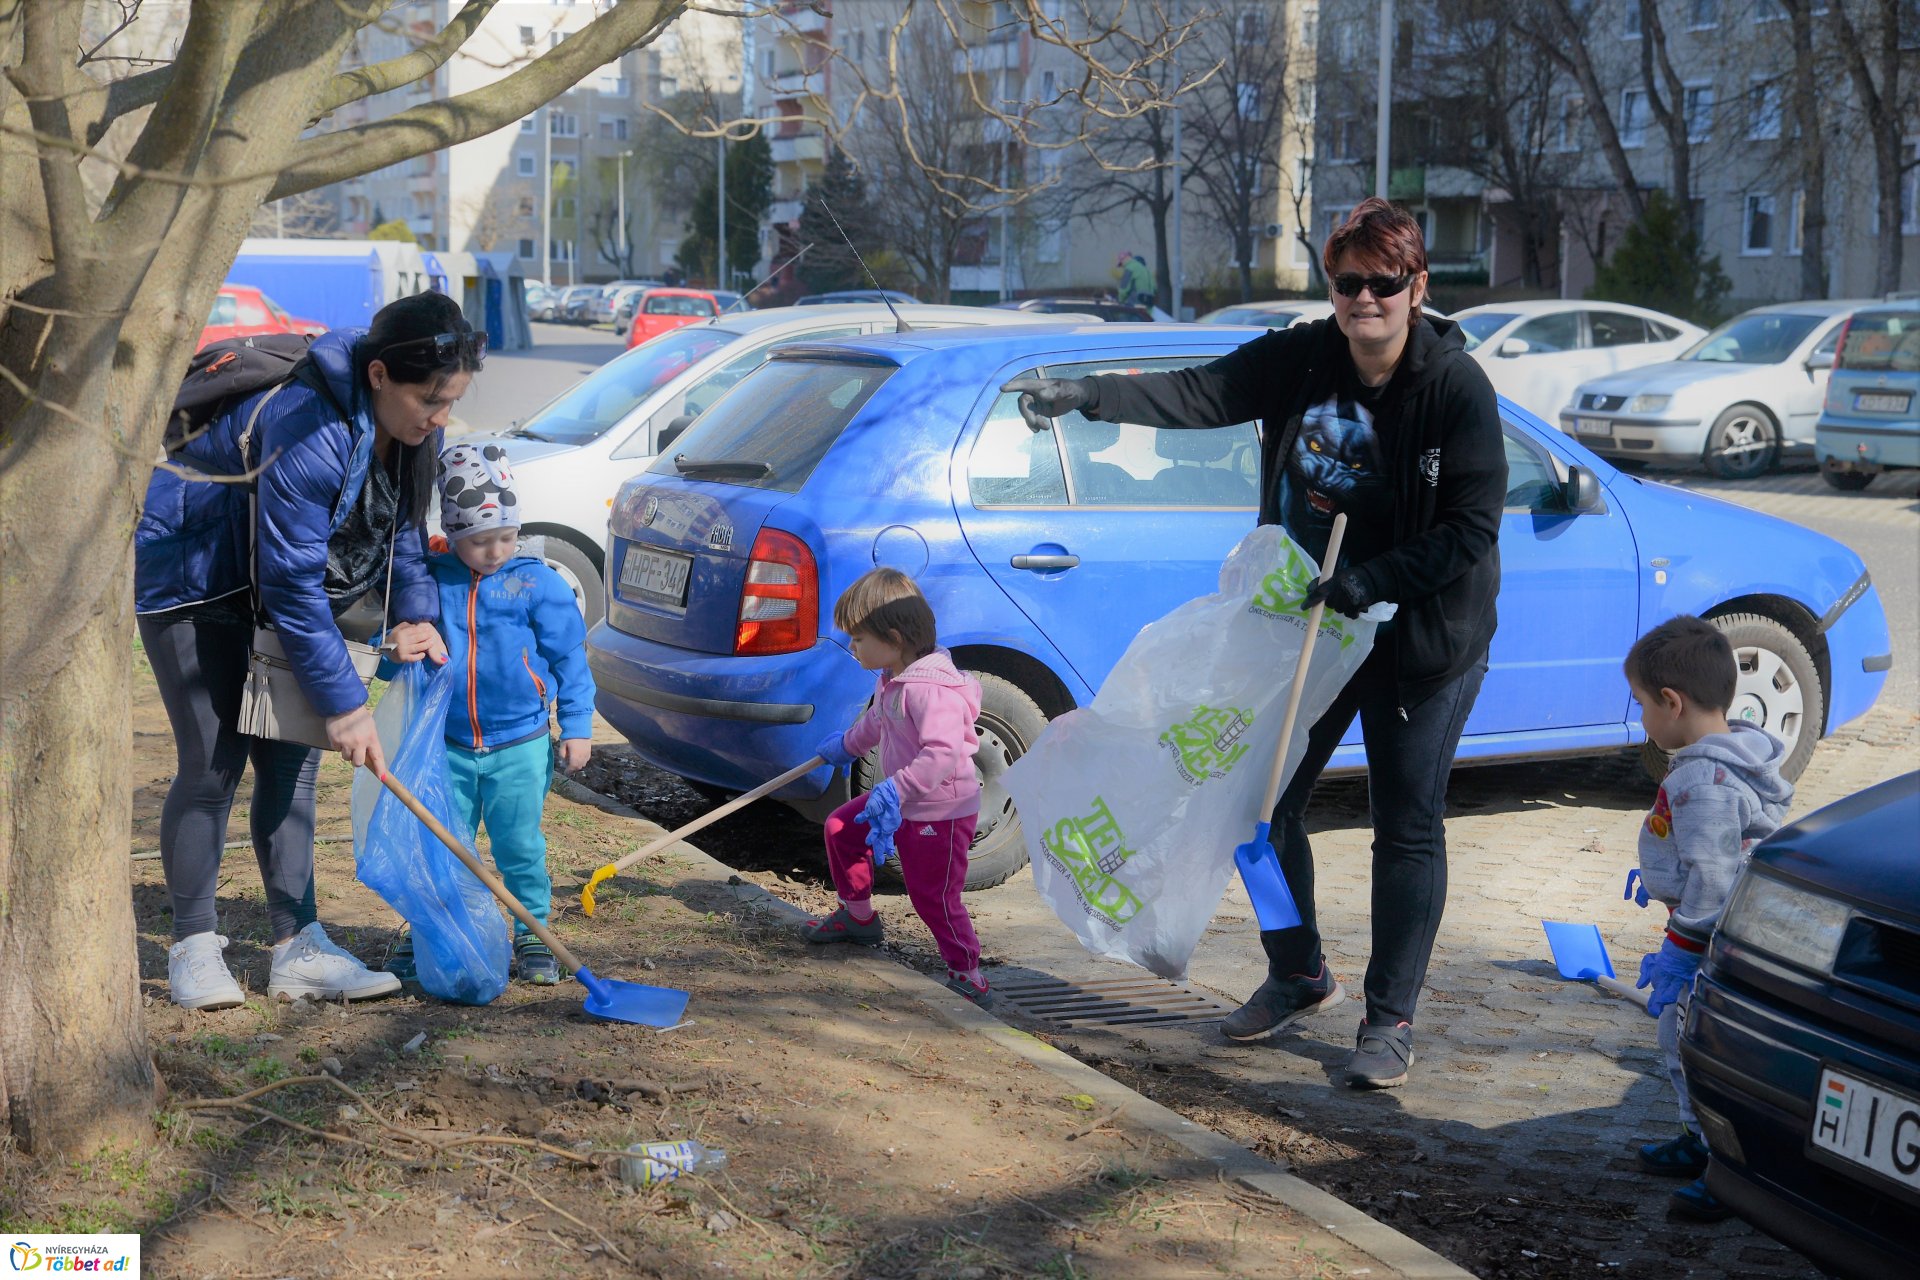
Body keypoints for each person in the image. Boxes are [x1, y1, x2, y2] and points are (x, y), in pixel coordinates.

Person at [1002, 197, 1506, 1087]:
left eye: (1383, 284)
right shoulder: (1306, 355)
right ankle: (1298, 967)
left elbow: (1470, 528)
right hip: (1303, 621)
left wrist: (1371, 580)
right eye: (1348, 282)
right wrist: (1089, 397)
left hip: (1418, 632)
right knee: (1261, 812)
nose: (1364, 300)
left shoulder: (1455, 390)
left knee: (1406, 826)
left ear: (1417, 287)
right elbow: (1205, 391)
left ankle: (1389, 1019)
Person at [135, 291, 484, 1009]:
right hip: (198, 573)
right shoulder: (308, 425)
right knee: (214, 760)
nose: (440, 417)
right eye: (430, 399)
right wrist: (348, 704)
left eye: (451, 401)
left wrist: (416, 613)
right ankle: (194, 948)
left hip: (284, 583)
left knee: (288, 764)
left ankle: (298, 948)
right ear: (381, 374)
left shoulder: (415, 429)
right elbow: (291, 583)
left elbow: (406, 532)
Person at [1621, 615, 1791, 1222]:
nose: (1640, 718)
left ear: (1672, 702)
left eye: (1642, 704)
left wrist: (1679, 953)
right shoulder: (1726, 756)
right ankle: (1704, 1140)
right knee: (1690, 1037)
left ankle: (1731, 1165)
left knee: (1692, 1039)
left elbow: (1715, 881)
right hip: (1727, 933)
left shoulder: (1704, 780)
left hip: (1720, 940)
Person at [411, 442, 595, 986]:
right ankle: (433, 935)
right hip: (449, 745)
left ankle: (533, 935)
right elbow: (402, 641)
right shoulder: (432, 578)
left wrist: (577, 725)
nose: (495, 552)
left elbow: (569, 656)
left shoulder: (537, 581)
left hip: (519, 744)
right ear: (452, 534)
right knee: (445, 847)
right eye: (479, 541)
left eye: (506, 537)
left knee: (518, 846)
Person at [803, 569, 992, 1006]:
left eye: (858, 639)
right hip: (903, 797)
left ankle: (968, 971)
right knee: (841, 829)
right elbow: (875, 723)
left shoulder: (930, 692)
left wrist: (896, 789)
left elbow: (943, 753)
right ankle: (858, 918)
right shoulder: (892, 679)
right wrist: (844, 747)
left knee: (933, 896)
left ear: (892, 637)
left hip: (939, 810)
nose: (852, 648)